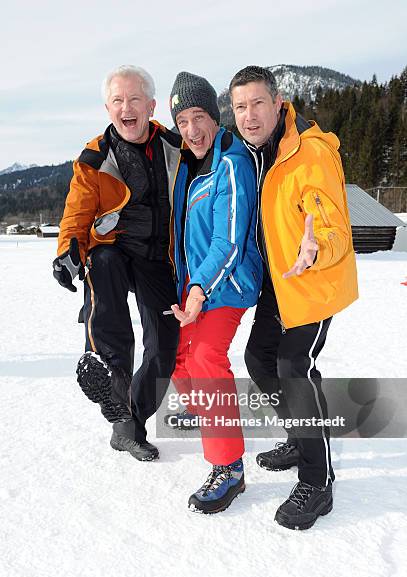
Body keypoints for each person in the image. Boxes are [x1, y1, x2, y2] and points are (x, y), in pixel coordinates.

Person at [229, 65, 358, 529]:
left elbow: (335, 230)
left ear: (279, 100)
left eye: (257, 103)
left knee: (292, 367)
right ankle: (300, 436)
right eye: (240, 107)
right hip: (279, 283)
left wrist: (315, 247)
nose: (249, 115)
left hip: (314, 283)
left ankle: (318, 481)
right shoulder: (257, 151)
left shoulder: (310, 153)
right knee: (259, 360)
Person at [53, 65, 181, 462]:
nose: (126, 108)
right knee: (102, 263)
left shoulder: (176, 146)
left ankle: (129, 421)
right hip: (116, 248)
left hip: (158, 256)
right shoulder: (94, 158)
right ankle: (105, 367)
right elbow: (76, 214)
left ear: (151, 105)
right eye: (118, 101)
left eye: (135, 99)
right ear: (108, 108)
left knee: (164, 346)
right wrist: (67, 251)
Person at [168, 72, 262, 514]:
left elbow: (229, 241)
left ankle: (230, 468)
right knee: (175, 353)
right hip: (199, 284)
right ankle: (204, 411)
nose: (192, 129)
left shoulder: (230, 160)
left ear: (214, 115)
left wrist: (200, 289)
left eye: (199, 116)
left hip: (230, 282)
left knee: (206, 358)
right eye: (183, 120)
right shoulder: (190, 166)